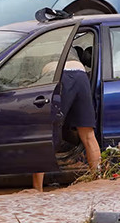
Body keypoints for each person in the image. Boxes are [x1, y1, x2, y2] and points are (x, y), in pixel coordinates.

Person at [32, 52, 101, 191]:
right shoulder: (70, 46)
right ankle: (98, 182)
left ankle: (36, 190)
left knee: (45, 134)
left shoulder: (34, 48)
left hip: (57, 73)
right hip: (81, 74)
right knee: (88, 135)